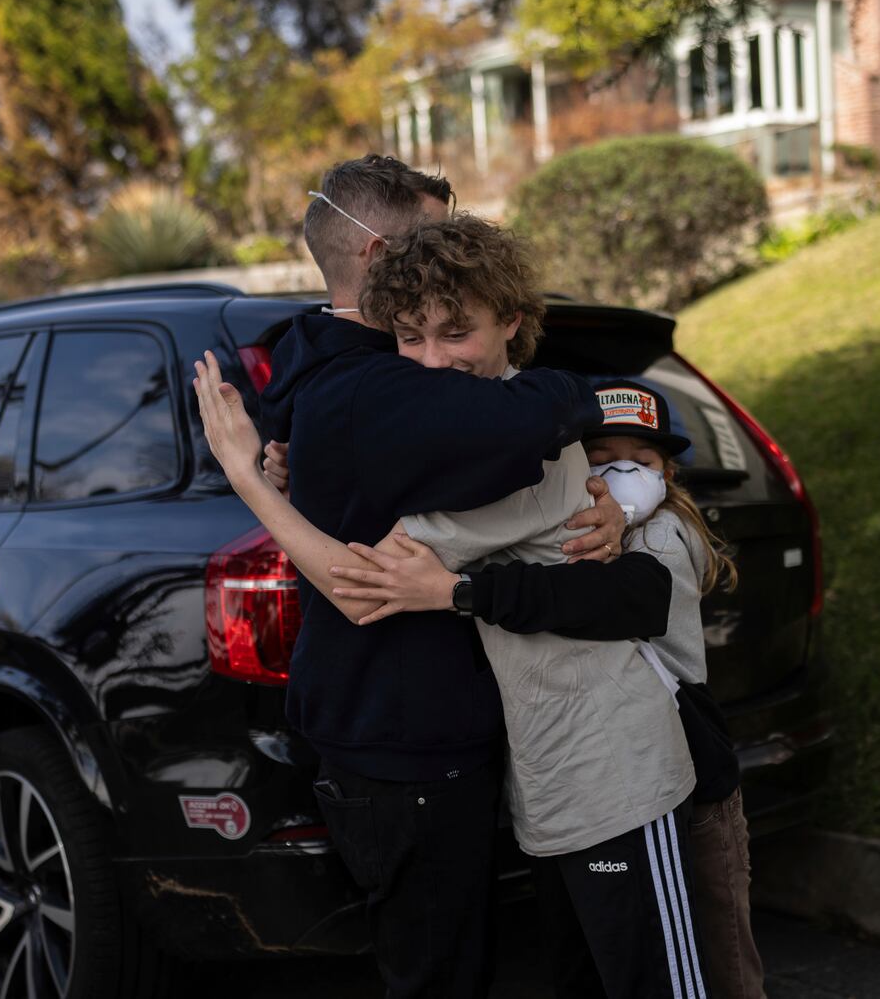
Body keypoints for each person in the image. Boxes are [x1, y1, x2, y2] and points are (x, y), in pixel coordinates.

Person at [196, 215, 710, 999]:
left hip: (618, 777)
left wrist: (248, 475)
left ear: (511, 322)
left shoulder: (513, 452)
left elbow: (355, 580)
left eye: (456, 333)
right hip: (549, 780)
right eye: (411, 337)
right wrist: (313, 469)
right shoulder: (482, 428)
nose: (433, 361)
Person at [327, 377, 768, 999]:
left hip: (691, 777)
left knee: (718, 954)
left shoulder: (667, 535)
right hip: (589, 787)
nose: (619, 473)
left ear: (668, 474)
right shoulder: (561, 521)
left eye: (639, 462)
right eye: (600, 458)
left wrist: (459, 593)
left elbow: (598, 597)